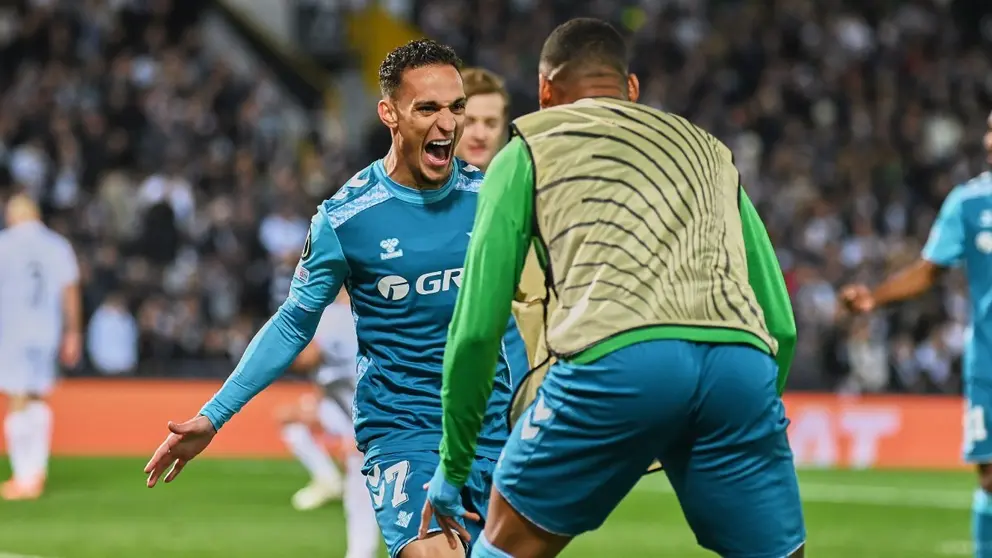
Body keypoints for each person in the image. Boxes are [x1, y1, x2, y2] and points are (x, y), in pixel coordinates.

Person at [420, 17, 805, 558]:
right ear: (631, 90)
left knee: (508, 539)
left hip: (618, 358)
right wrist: (754, 407)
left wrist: (454, 465)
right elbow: (781, 323)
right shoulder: (711, 152)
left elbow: (477, 331)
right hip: (740, 363)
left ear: (544, 91)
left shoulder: (527, 150)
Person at [143, 39, 524, 558]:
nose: (449, 124)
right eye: (428, 108)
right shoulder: (346, 218)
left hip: (492, 431)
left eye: (456, 108)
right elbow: (293, 323)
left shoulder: (494, 198)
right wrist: (214, 415)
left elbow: (518, 320)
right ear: (389, 113)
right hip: (404, 431)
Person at [841, 111, 992, 558]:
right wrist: (875, 297)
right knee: (989, 476)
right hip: (988, 360)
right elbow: (930, 270)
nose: (989, 140)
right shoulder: (968, 203)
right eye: (988, 129)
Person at [275, 288, 380, 558]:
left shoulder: (336, 315)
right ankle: (328, 479)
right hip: (368, 413)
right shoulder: (369, 311)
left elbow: (308, 357)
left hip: (373, 417)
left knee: (367, 491)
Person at [0, 194, 82, 500]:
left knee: (17, 398)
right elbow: (70, 289)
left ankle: (24, 476)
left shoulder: (4, 244)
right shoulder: (57, 245)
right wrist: (73, 332)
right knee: (36, 395)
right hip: (46, 331)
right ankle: (36, 468)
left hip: (12, 331)